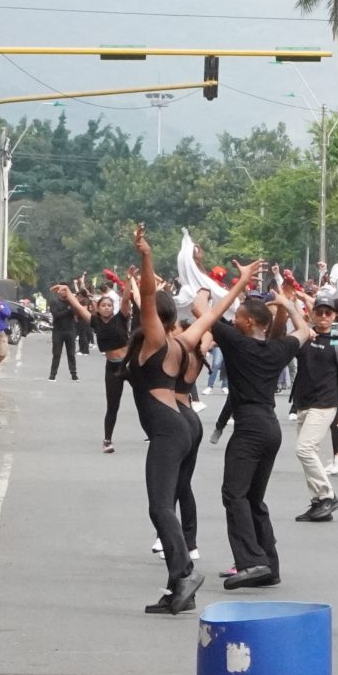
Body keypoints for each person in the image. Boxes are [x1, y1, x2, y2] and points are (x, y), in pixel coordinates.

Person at [128, 228, 209, 615]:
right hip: (177, 425)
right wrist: (236, 284)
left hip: (167, 428)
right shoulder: (181, 341)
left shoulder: (154, 341)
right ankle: (180, 589)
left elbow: (145, 296)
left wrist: (147, 255)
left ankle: (183, 572)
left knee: (160, 507)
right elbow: (209, 316)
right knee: (166, 504)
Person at [203, 274, 296, 590]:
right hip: (271, 427)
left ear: (247, 323)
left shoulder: (236, 343)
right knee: (254, 498)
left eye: (239, 316)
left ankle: (252, 561)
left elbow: (203, 309)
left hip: (249, 428)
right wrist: (286, 304)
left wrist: (237, 284)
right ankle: (269, 563)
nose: (234, 319)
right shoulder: (277, 349)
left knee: (234, 494)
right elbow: (307, 330)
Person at [285, 296, 338, 523]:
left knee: (304, 449)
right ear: (312, 313)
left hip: (325, 404)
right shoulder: (304, 337)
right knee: (308, 453)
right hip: (303, 403)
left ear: (335, 316)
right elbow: (281, 342)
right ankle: (319, 503)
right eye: (320, 312)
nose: (324, 317)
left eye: (328, 313)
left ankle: (327, 495)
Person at [86, 283, 133, 452]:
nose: (107, 307)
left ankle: (155, 433)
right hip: (112, 368)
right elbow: (78, 307)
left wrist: (129, 279)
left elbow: (126, 299)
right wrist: (68, 292)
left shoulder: (121, 317)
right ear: (98, 309)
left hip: (130, 365)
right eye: (103, 305)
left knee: (145, 398)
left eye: (109, 305)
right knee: (113, 406)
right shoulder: (95, 322)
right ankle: (107, 440)